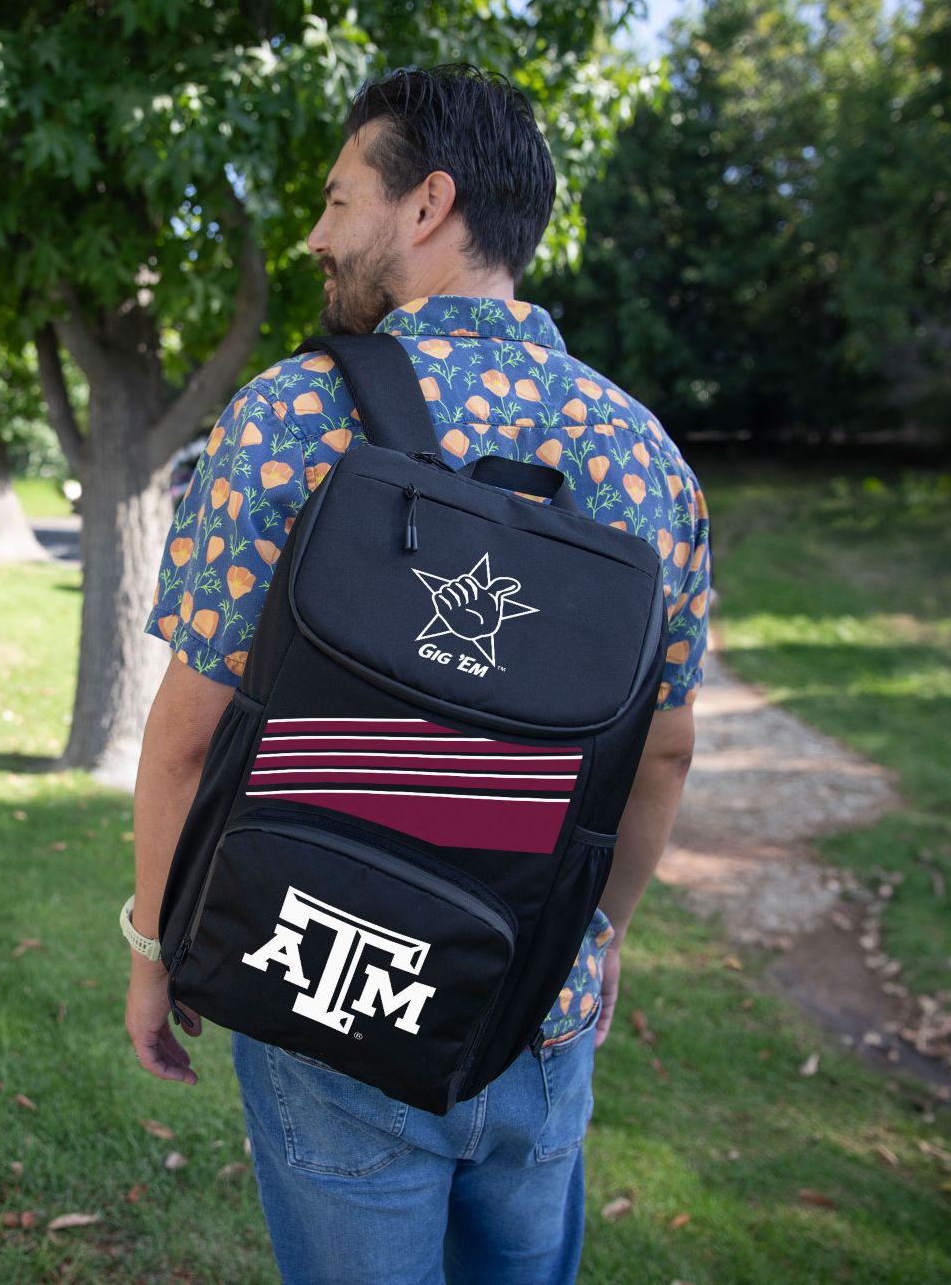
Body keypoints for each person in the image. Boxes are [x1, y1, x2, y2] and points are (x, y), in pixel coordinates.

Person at [120, 64, 711, 1285]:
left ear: (426, 203)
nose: (315, 234)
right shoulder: (641, 453)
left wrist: (151, 945)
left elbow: (187, 741)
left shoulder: (288, 416)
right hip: (531, 999)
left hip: (328, 985)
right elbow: (662, 747)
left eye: (338, 202)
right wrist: (591, 940)